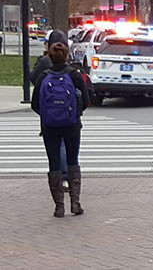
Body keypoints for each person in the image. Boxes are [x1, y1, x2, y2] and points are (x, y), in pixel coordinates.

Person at [31, 41, 89, 218]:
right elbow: (86, 100)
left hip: (50, 126)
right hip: (71, 125)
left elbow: (35, 104)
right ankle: (75, 203)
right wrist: (74, 114)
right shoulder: (74, 75)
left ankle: (58, 206)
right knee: (73, 161)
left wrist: (48, 116)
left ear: (50, 57)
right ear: (66, 56)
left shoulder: (43, 76)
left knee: (54, 163)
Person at [30, 30, 71, 191]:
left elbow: (33, 79)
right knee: (66, 146)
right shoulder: (71, 69)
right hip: (69, 117)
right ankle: (69, 181)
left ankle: (59, 179)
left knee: (55, 148)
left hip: (49, 116)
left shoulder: (45, 64)